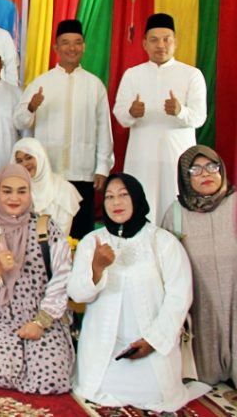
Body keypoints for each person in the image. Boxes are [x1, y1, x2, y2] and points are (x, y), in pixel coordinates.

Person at [69, 173, 208, 411]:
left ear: (137, 198)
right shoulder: (91, 242)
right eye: (109, 197)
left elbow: (179, 298)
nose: (116, 202)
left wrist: (153, 341)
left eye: (124, 195)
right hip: (104, 348)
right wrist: (96, 269)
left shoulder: (163, 242)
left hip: (151, 346)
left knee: (155, 393)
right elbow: (78, 294)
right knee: (97, 388)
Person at [0, 164, 74, 394]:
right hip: (1, 315)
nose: (14, 198)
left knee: (51, 380)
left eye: (21, 191)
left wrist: (40, 322)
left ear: (30, 192)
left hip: (44, 315)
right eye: (7, 191)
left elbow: (62, 277)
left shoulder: (46, 229)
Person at [13, 19, 113, 238]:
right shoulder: (41, 83)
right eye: (66, 43)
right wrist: (31, 107)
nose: (72, 48)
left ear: (84, 46)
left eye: (77, 42)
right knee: (47, 233)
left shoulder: (94, 85)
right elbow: (19, 123)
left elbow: (104, 128)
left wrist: (102, 167)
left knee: (81, 234)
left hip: (83, 172)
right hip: (49, 173)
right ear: (56, 47)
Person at [113, 13, 207, 223]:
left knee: (177, 212)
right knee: (141, 208)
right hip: (141, 158)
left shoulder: (192, 74)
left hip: (176, 158)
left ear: (175, 42)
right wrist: (131, 113)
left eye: (166, 39)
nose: (161, 45)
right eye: (154, 40)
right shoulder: (132, 74)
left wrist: (180, 111)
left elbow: (199, 117)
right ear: (144, 44)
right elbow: (120, 114)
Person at [163, 146, 237, 387]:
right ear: (185, 177)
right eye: (195, 169)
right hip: (201, 307)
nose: (206, 173)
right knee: (204, 379)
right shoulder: (175, 214)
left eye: (212, 166)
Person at [12, 138, 81, 238]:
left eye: (29, 157)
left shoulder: (64, 189)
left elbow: (61, 234)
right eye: (19, 161)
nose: (24, 164)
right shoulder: (14, 190)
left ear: (40, 156)